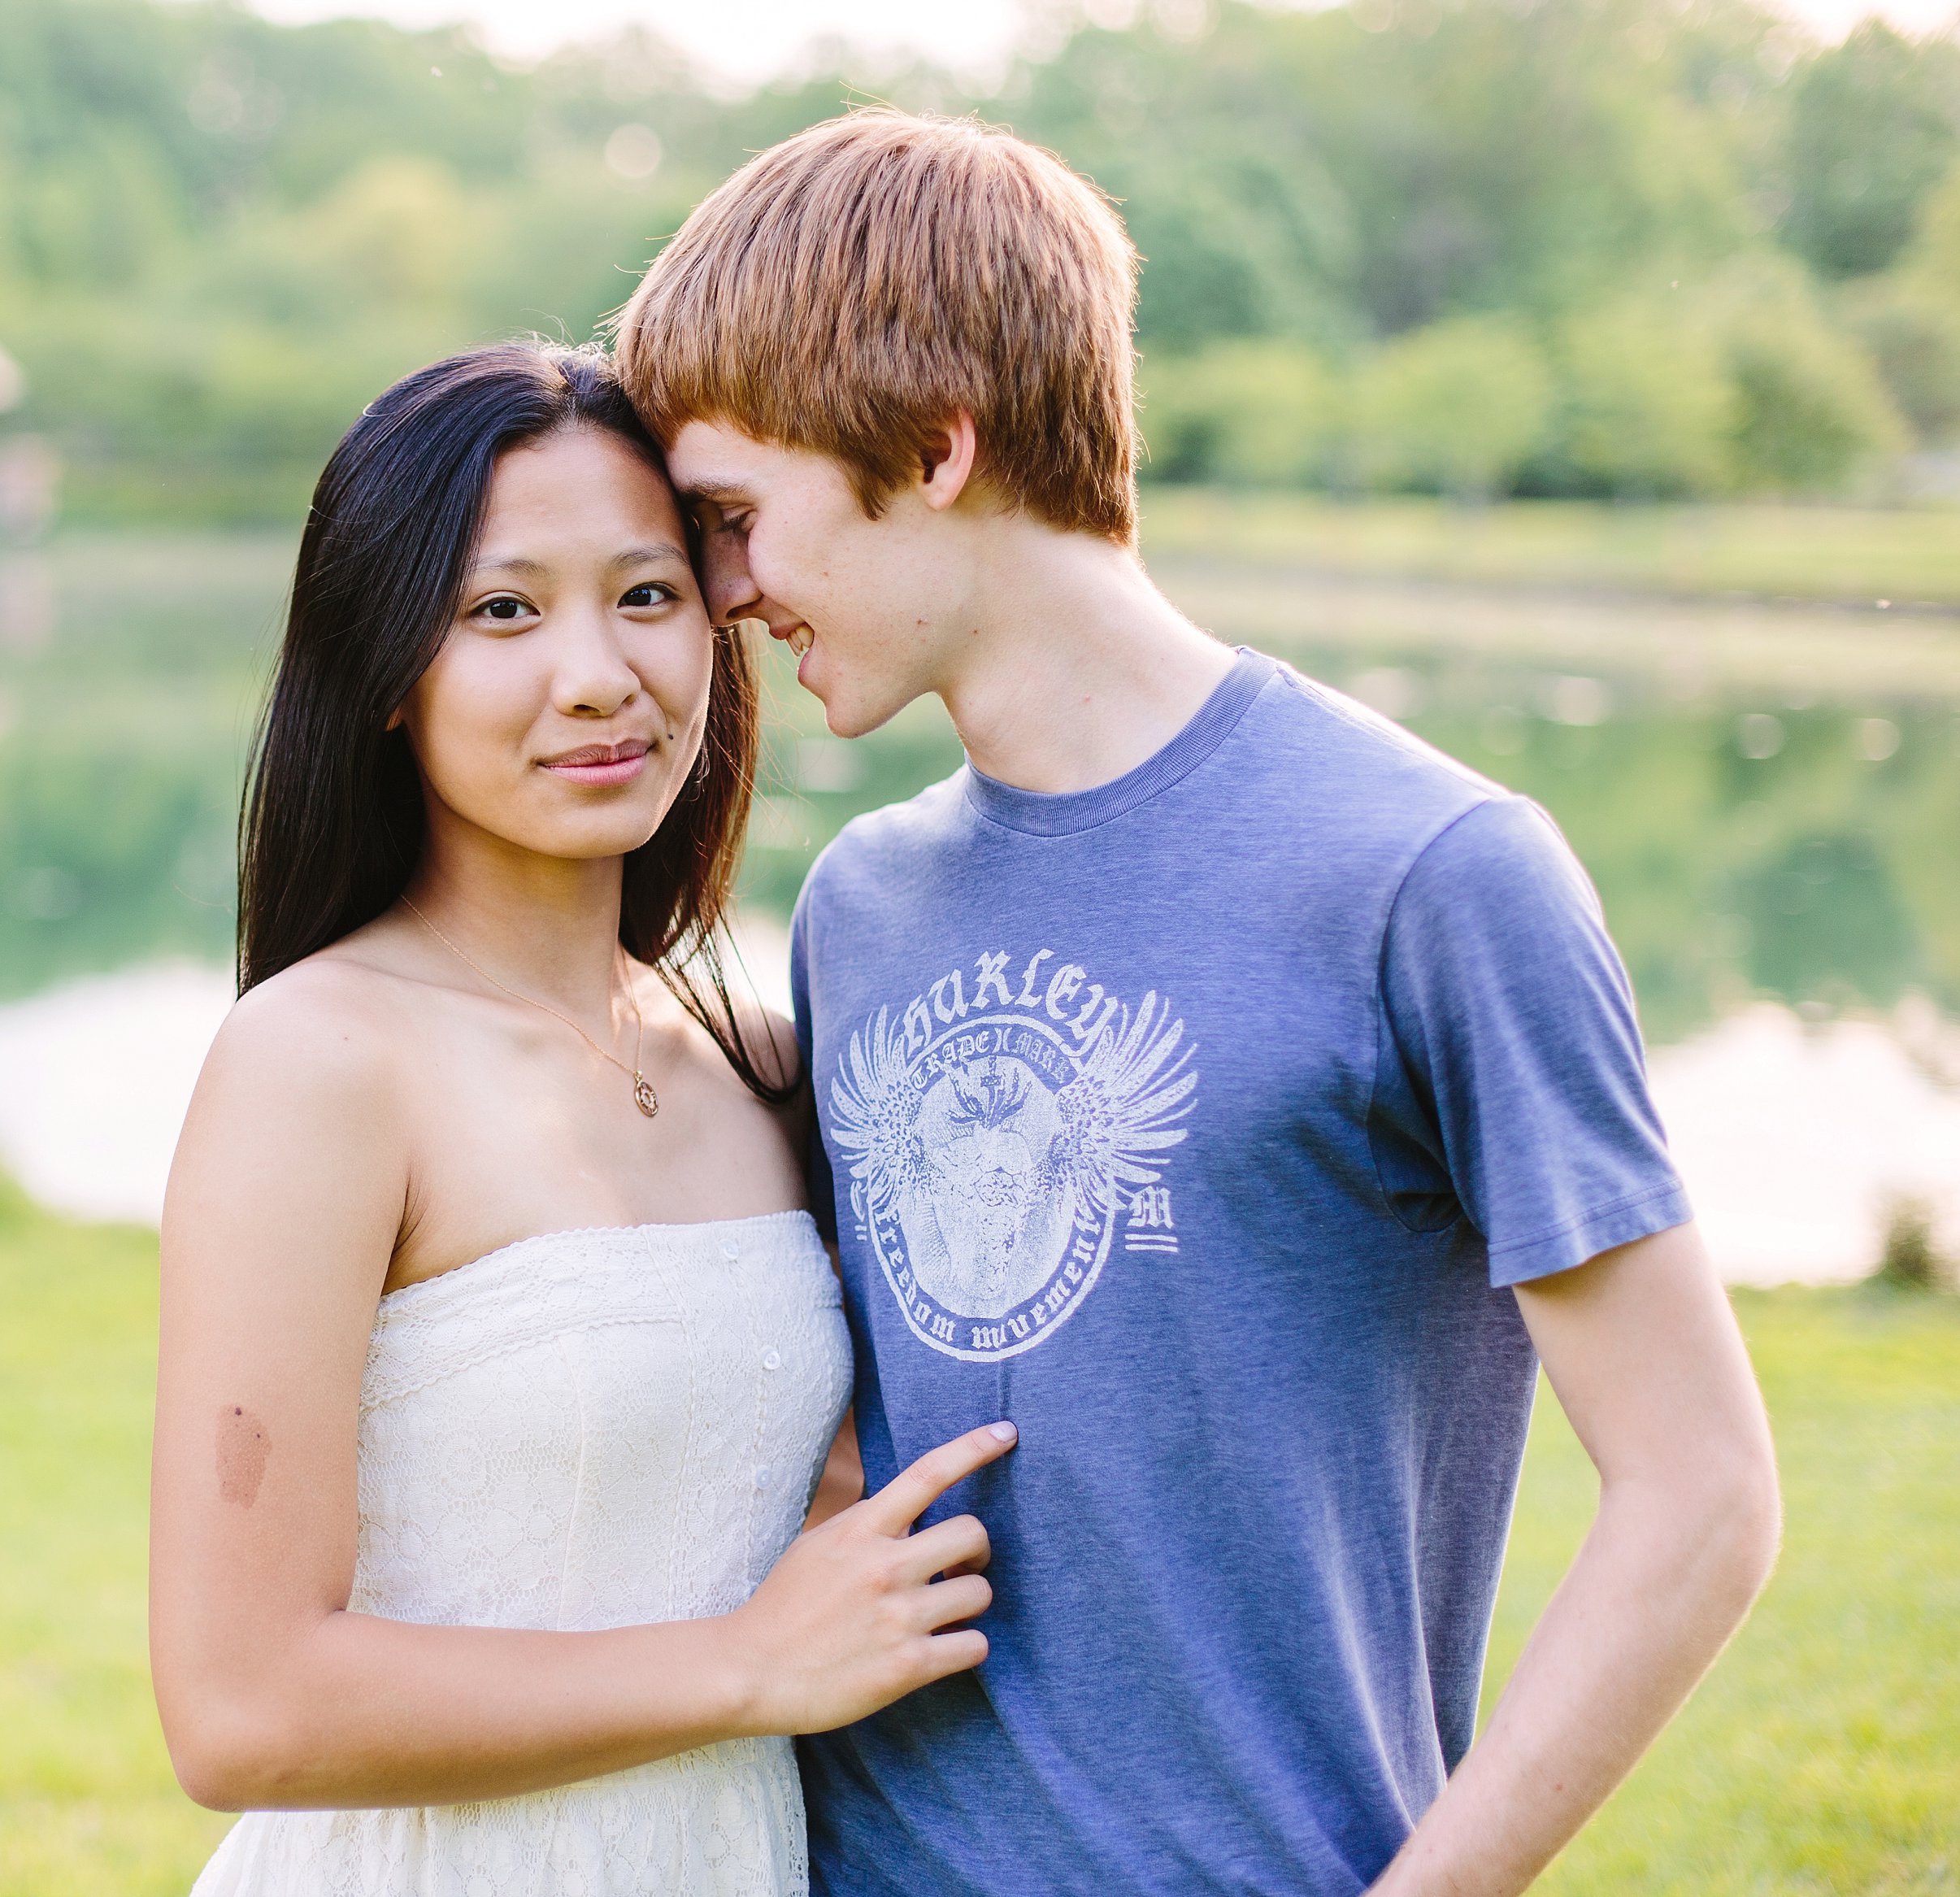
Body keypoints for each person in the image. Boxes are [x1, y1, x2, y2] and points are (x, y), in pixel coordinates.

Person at [612, 108, 1784, 1897]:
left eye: (730, 515)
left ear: (933, 444)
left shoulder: (1433, 874)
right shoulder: (864, 903)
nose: (719, 592)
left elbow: (1700, 1498)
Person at [151, 341, 1017, 1896]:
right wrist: (745, 1663)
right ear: (386, 675)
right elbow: (241, 1707)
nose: (598, 674)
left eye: (645, 593)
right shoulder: (322, 1061)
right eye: (503, 610)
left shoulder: (760, 1063)